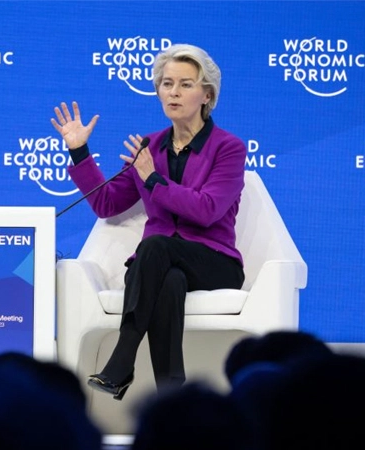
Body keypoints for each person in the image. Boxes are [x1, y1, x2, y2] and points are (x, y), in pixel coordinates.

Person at [51, 44, 246, 399]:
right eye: (166, 84)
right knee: (169, 280)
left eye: (185, 84)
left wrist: (154, 179)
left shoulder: (228, 148)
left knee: (155, 246)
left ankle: (122, 359)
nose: (173, 92)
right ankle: (173, 397)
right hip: (156, 267)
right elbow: (107, 203)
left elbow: (207, 210)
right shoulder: (149, 146)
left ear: (207, 95)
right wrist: (79, 152)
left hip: (214, 262)